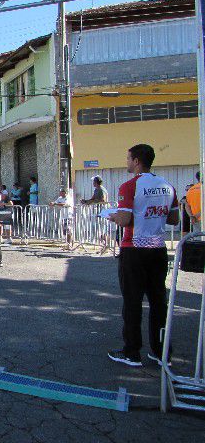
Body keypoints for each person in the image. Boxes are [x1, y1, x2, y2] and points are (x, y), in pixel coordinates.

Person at [108, 144, 179, 367]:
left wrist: (113, 217)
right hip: (158, 249)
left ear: (137, 161)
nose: (127, 162)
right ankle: (161, 352)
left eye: (128, 158)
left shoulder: (129, 186)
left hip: (134, 249)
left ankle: (132, 352)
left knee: (132, 302)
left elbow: (125, 220)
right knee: (159, 302)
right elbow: (174, 220)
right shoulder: (167, 186)